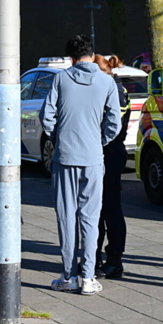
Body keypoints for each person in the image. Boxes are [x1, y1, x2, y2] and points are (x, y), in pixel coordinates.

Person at [40, 35, 121, 296]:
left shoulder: (61, 79)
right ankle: (88, 277)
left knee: (66, 218)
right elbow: (114, 123)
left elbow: (47, 116)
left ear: (71, 59)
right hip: (93, 157)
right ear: (91, 54)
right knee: (91, 217)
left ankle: (68, 275)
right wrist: (99, 142)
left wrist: (58, 137)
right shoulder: (107, 81)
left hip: (65, 157)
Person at [93, 54, 129, 279]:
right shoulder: (117, 88)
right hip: (111, 152)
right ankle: (97, 257)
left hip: (109, 152)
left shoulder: (113, 90)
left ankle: (114, 260)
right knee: (101, 209)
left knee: (108, 209)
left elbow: (112, 126)